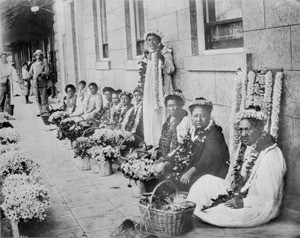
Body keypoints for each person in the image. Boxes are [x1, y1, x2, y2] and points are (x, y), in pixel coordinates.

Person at [187, 106, 287, 227]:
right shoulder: (244, 145)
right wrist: (231, 192)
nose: (243, 134)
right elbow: (232, 179)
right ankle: (188, 211)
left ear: (260, 128)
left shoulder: (270, 155)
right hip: (236, 191)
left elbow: (270, 199)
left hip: (255, 204)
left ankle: (203, 214)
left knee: (220, 212)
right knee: (204, 181)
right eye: (240, 130)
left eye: (247, 129)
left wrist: (243, 202)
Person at [158, 97, 229, 189]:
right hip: (195, 165)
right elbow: (182, 149)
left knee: (189, 182)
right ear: (191, 116)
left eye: (203, 116)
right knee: (165, 173)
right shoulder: (193, 130)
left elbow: (207, 159)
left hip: (210, 170)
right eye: (195, 116)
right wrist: (167, 163)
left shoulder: (214, 133)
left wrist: (189, 173)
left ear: (209, 116)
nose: (198, 119)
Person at [142, 30, 175, 147]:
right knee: (150, 113)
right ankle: (151, 142)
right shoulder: (149, 54)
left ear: (158, 41)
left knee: (161, 113)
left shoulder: (164, 51)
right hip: (150, 89)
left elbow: (170, 69)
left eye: (153, 40)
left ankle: (161, 143)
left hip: (161, 89)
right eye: (148, 40)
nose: (150, 42)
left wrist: (162, 59)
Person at [157, 90, 187, 157]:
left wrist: (168, 156)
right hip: (166, 153)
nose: (171, 108)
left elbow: (182, 146)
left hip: (177, 155)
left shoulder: (184, 120)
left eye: (174, 105)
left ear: (180, 105)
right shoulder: (169, 119)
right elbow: (162, 139)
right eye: (169, 106)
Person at [29, 50, 50, 116]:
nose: (38, 56)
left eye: (39, 55)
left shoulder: (44, 64)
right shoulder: (33, 65)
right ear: (35, 56)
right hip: (35, 84)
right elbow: (30, 73)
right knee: (37, 98)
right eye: (37, 55)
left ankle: (46, 111)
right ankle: (40, 110)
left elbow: (47, 72)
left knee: (44, 97)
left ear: (41, 56)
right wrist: (28, 76)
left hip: (42, 83)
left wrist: (42, 74)